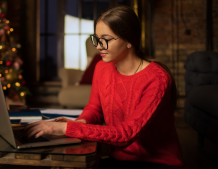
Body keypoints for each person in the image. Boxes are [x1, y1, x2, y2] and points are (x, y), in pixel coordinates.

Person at [24, 5, 184, 169]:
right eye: (97, 39)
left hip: (156, 162)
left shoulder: (157, 78)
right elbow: (94, 108)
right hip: (117, 157)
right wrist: (80, 123)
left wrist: (67, 128)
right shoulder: (102, 67)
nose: (98, 46)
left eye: (105, 40)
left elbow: (125, 134)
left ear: (129, 40)